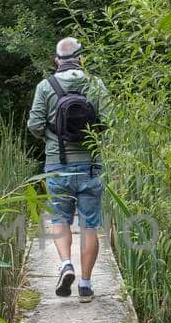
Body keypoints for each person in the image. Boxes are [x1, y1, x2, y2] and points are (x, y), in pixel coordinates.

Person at [27, 36, 110, 302]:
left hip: (57, 164)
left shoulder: (45, 86)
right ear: (81, 59)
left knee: (59, 220)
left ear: (56, 61)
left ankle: (65, 265)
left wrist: (53, 139)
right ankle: (85, 285)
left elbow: (35, 125)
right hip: (90, 166)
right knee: (89, 226)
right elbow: (110, 120)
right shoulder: (95, 84)